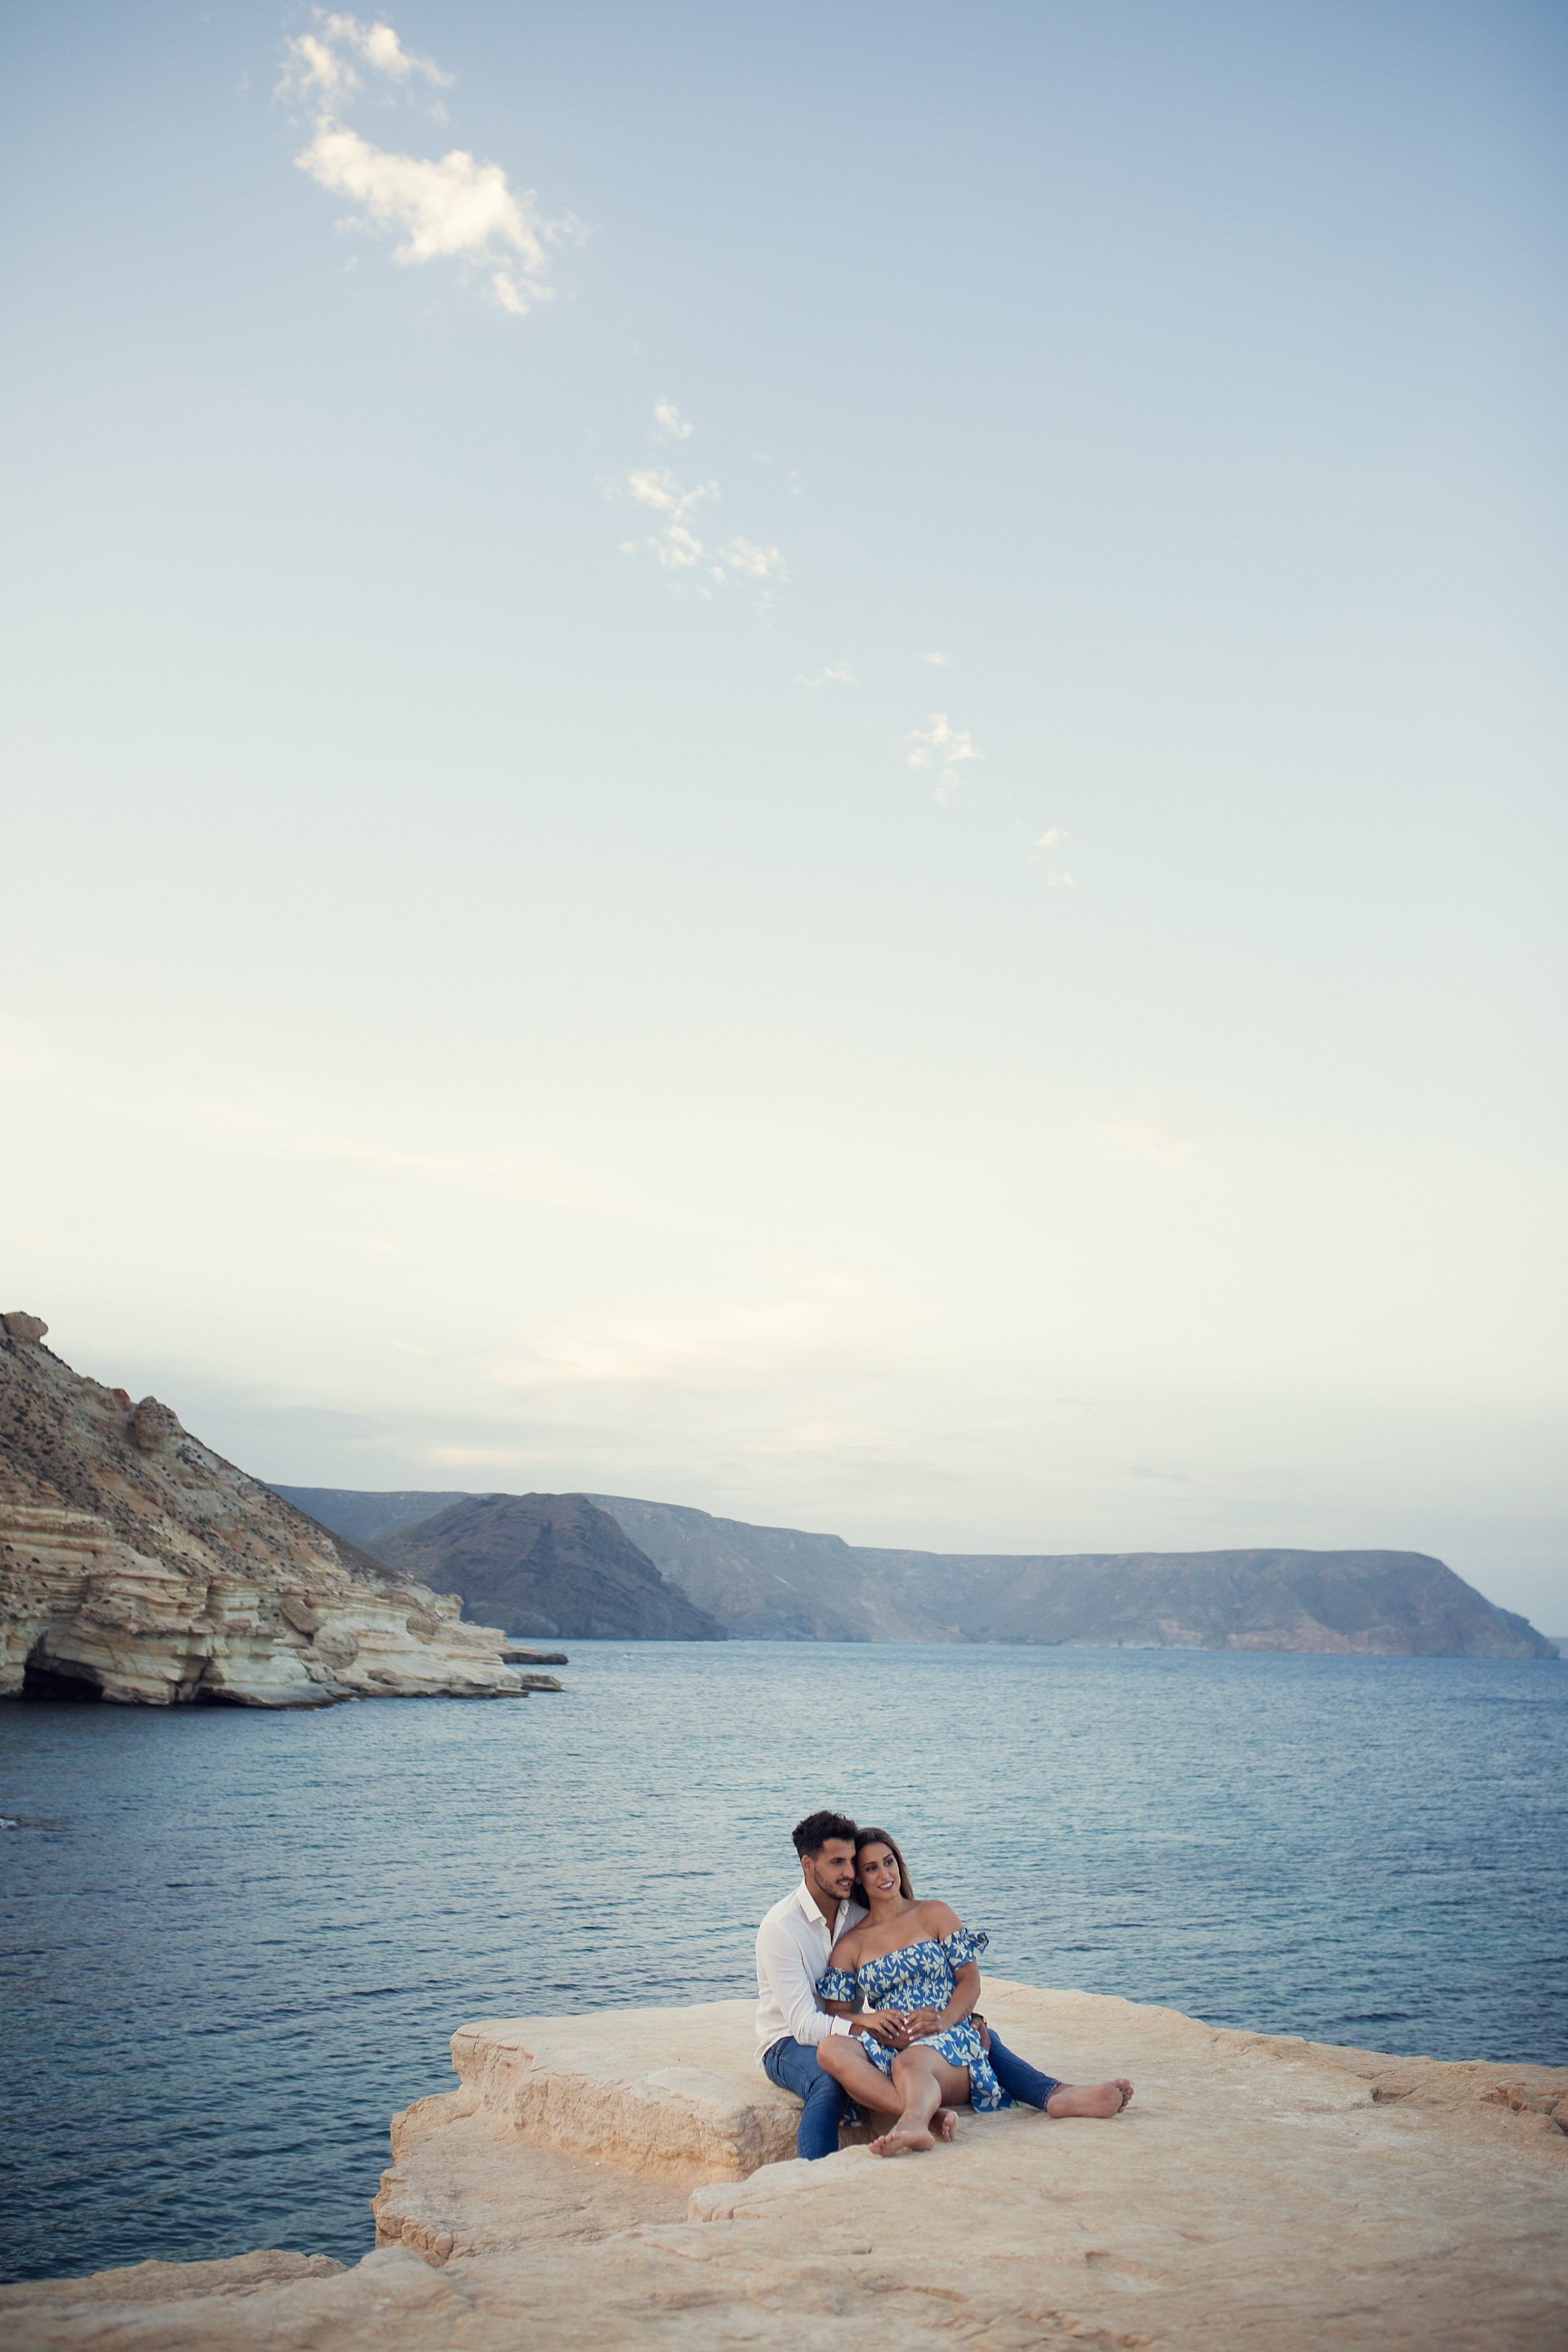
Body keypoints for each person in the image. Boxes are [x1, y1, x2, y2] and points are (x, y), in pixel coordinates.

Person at [755, 1810, 1083, 2160]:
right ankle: (818, 2170)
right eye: (838, 1863)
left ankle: (1047, 2094)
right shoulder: (781, 1928)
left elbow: (936, 1969)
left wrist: (961, 2014)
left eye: (853, 1862)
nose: (850, 1873)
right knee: (827, 2080)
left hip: (855, 2031)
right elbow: (806, 2024)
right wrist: (867, 2024)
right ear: (808, 1865)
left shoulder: (853, 1908)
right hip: (788, 2039)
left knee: (973, 2037)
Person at [814, 1825, 1134, 2157]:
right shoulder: (852, 1944)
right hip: (890, 2042)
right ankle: (929, 2114)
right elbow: (836, 2014)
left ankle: (913, 2123)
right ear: (860, 1879)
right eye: (871, 1868)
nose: (885, 1874)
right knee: (830, 2049)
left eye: (889, 1862)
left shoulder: (934, 1914)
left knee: (910, 2063)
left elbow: (970, 1980)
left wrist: (945, 2020)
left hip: (948, 2043)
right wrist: (872, 2021)